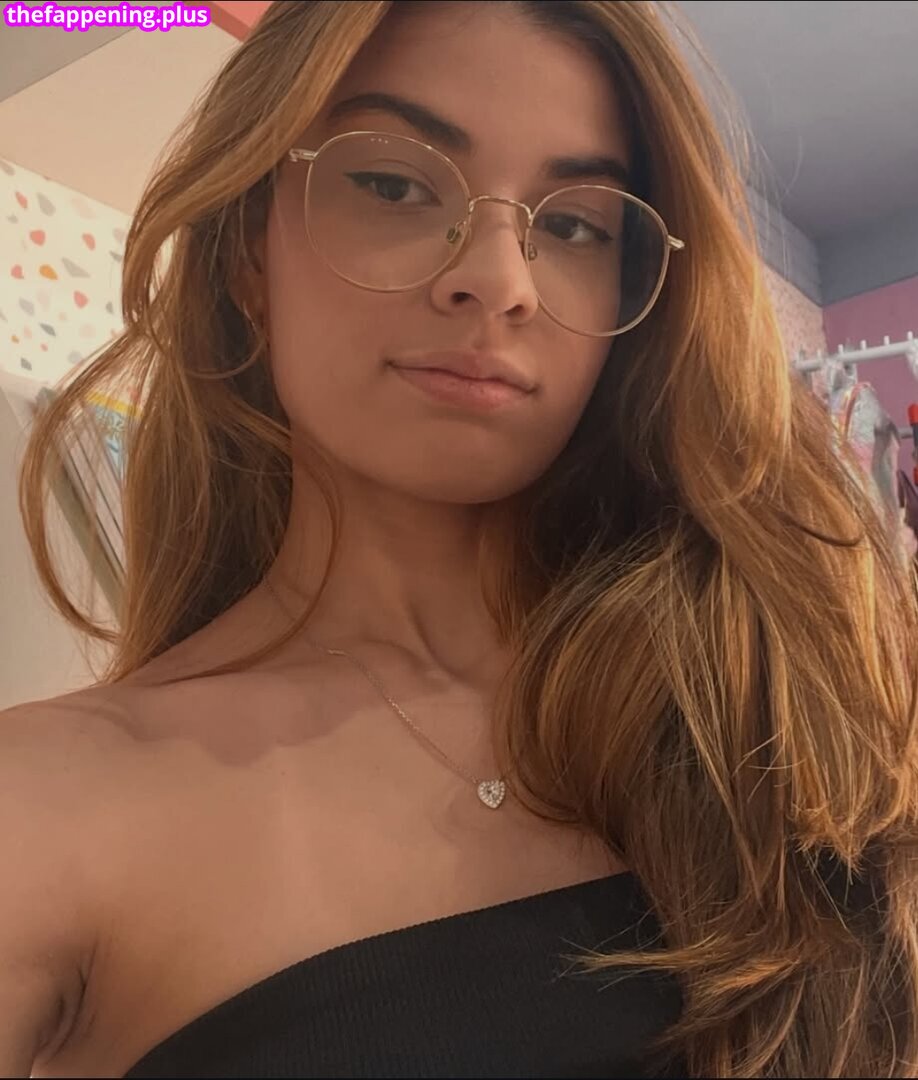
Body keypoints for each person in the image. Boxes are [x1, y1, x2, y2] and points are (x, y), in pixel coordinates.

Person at [4, 1, 918, 1076]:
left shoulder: (783, 692)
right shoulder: (51, 809)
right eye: (395, 184)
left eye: (575, 226)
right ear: (250, 250)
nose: (501, 280)